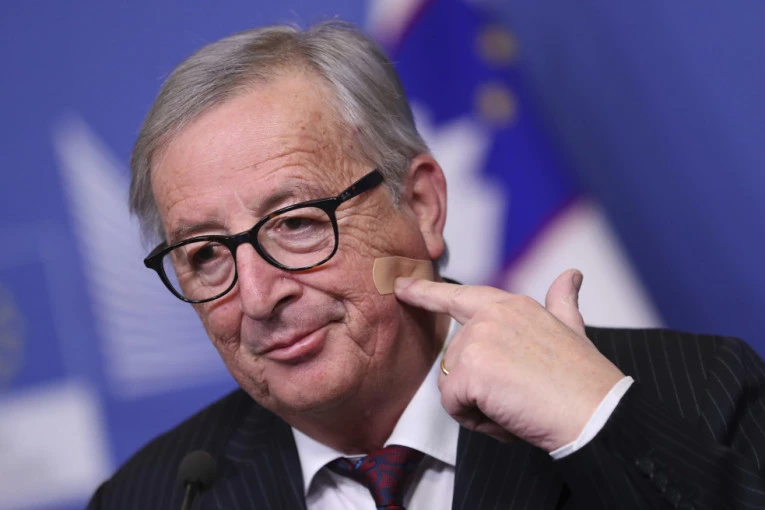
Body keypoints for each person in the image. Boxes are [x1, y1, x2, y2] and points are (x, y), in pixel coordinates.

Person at [88, 21, 765, 510]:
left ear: (421, 205)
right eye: (206, 254)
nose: (259, 298)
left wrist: (594, 432)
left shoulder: (699, 395)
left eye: (296, 223)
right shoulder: (156, 495)